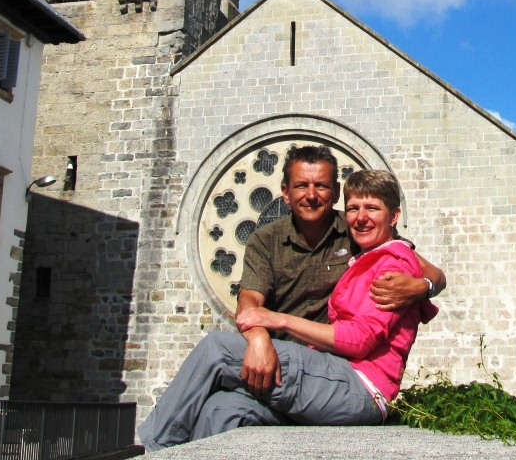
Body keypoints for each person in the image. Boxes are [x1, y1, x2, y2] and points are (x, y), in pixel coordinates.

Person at [137, 167, 438, 449]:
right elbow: (250, 299)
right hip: (330, 379)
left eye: (372, 208)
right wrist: (259, 337)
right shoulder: (363, 251)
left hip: (360, 386)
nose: (360, 217)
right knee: (223, 408)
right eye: (353, 208)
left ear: (394, 216)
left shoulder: (392, 263)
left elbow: (360, 339)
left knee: (217, 349)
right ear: (286, 192)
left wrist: (277, 320)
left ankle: (156, 449)